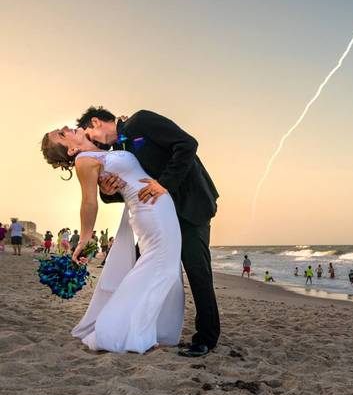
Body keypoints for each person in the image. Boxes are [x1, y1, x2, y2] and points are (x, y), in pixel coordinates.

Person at [80, 106, 220, 358]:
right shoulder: (119, 151)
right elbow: (133, 188)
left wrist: (163, 184)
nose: (92, 142)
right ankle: (140, 327)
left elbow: (187, 144)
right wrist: (108, 192)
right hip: (159, 218)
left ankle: (207, 338)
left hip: (190, 206)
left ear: (96, 122)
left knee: (197, 270)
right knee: (137, 266)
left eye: (89, 135)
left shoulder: (140, 121)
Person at [40, 126, 184, 354]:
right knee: (161, 269)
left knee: (166, 270)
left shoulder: (101, 151)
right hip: (148, 210)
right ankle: (123, 331)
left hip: (158, 205)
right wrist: (85, 239)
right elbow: (89, 203)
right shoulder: (84, 161)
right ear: (71, 150)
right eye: (61, 134)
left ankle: (145, 330)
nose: (65, 128)